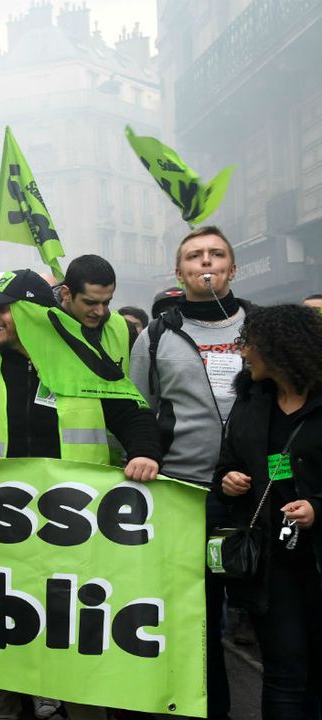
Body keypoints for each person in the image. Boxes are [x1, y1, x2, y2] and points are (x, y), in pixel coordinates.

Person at [0, 269, 161, 720]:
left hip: (70, 535)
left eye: (1, 309)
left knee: (69, 631)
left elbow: (134, 415)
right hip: (2, 534)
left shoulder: (86, 361)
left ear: (34, 313)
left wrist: (145, 453)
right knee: (0, 631)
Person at [129, 226, 250, 720]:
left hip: (258, 499)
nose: (207, 262)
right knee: (198, 620)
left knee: (278, 619)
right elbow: (137, 411)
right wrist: (144, 458)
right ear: (178, 274)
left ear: (232, 269)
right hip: (186, 499)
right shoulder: (156, 334)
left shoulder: (263, 328)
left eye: (217, 254)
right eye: (195, 256)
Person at [215, 304, 322, 720]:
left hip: (316, 562)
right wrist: (228, 481)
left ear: (281, 349)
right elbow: (225, 464)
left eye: (250, 344)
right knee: (283, 674)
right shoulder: (251, 402)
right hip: (273, 565)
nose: (243, 353)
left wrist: (317, 508)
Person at [58, 255, 130, 370]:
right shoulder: (41, 327)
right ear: (66, 294)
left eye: (106, 302)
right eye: (90, 303)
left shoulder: (126, 330)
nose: (100, 312)